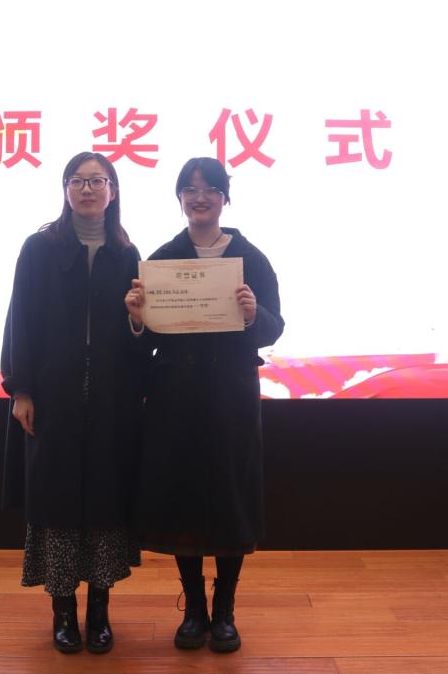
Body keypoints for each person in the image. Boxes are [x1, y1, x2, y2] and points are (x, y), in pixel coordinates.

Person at [125, 156, 284, 653]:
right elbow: (145, 341)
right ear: (179, 198)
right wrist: (137, 319)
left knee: (231, 497)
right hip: (175, 399)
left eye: (210, 189)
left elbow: (275, 327)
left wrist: (255, 314)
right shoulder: (162, 259)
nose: (200, 198)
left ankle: (225, 611)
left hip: (232, 397)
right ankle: (194, 608)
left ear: (224, 197)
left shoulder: (251, 258)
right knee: (184, 498)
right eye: (190, 189)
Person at [0, 151, 144, 654]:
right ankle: (63, 612)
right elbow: (20, 321)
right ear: (65, 189)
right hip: (52, 392)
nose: (88, 189)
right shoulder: (39, 248)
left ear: (112, 190)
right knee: (57, 499)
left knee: (105, 499)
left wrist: (137, 321)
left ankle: (99, 611)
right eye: (78, 181)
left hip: (111, 395)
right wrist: (21, 390)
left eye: (97, 181)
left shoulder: (127, 253)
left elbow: (139, 335)